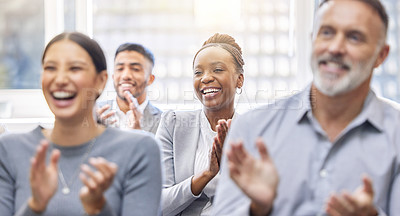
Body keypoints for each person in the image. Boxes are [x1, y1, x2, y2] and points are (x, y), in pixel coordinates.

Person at [213, 0, 400, 215]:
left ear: (381, 55)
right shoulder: (252, 128)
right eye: (327, 33)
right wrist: (258, 209)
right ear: (313, 40)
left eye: (354, 37)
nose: (335, 48)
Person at [0, 32, 162, 216]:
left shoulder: (141, 149)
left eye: (75, 68)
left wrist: (99, 209)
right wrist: (35, 206)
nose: (60, 80)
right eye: (51, 68)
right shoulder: (8, 149)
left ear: (101, 81)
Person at [156, 33, 244, 215]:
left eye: (218, 70)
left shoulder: (256, 131)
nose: (205, 78)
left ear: (239, 79)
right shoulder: (173, 125)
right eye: (198, 72)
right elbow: (157, 205)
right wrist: (207, 174)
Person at [97, 43, 162, 134]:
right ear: (113, 76)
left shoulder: (164, 121)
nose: (126, 76)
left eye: (135, 69)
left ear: (150, 79)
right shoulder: (94, 114)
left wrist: (139, 136)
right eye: (120, 69)